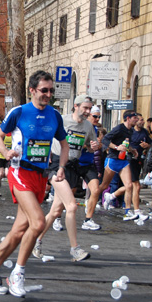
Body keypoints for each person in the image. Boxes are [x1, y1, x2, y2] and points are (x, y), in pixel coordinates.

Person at [0, 70, 67, 298]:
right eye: (43, 90)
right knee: (38, 223)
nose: (48, 94)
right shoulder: (19, 112)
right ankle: (17, 274)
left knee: (19, 230)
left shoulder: (55, 115)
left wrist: (61, 167)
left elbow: (64, 144)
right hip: (20, 172)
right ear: (32, 90)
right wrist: (6, 152)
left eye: (51, 91)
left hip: (40, 176)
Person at [32, 94, 98, 261]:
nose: (88, 111)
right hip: (56, 165)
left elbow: (90, 148)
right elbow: (42, 134)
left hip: (73, 167)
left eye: (90, 108)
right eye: (85, 108)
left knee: (55, 211)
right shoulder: (61, 120)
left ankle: (36, 241)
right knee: (72, 206)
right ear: (75, 106)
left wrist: (94, 147)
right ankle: (75, 249)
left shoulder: (89, 126)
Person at [98, 110, 142, 221]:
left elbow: (126, 145)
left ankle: (127, 212)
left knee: (129, 186)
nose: (136, 120)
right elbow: (105, 139)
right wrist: (117, 147)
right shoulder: (119, 128)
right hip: (112, 159)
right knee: (104, 185)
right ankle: (92, 200)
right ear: (128, 118)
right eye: (135, 118)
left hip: (124, 160)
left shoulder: (131, 131)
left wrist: (132, 150)